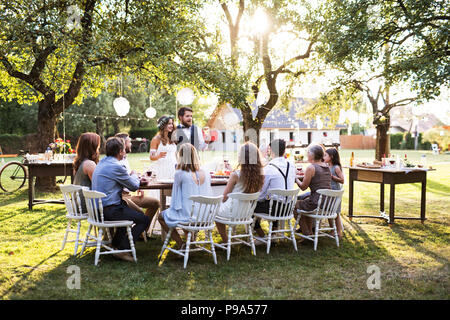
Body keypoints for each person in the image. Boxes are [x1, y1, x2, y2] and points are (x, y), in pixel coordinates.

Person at [92, 137, 150, 262]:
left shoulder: (102, 162)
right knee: (144, 219)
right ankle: (123, 250)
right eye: (124, 149)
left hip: (98, 209)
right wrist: (134, 174)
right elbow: (134, 186)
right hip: (109, 210)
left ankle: (115, 245)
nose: (125, 151)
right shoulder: (116, 166)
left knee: (127, 214)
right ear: (120, 151)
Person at [158, 143, 213, 249]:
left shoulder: (180, 173)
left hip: (190, 217)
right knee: (187, 210)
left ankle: (180, 243)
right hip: (205, 216)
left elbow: (175, 199)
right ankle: (191, 242)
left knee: (163, 216)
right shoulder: (206, 172)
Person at [215, 142, 265, 243]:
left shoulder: (235, 175)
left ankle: (226, 241)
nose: (238, 155)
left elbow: (224, 197)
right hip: (247, 212)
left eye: (239, 154)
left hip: (233, 212)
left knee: (215, 213)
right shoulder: (260, 175)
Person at [115, 133, 160, 227]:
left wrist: (138, 183)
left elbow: (129, 177)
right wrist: (136, 181)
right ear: (122, 144)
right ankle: (138, 231)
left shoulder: (125, 159)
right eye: (129, 142)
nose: (131, 144)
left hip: (129, 194)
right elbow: (126, 181)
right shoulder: (118, 162)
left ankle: (141, 233)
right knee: (140, 215)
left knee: (155, 203)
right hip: (122, 197)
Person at [253, 139, 295, 238]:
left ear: (270, 150)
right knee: (274, 202)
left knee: (249, 208)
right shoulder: (292, 165)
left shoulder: (269, 168)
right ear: (284, 151)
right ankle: (274, 235)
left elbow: (262, 193)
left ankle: (262, 236)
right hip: (288, 208)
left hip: (275, 208)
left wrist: (255, 200)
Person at [294, 145, 332, 237]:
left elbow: (303, 187)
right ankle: (310, 232)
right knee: (305, 201)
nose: (307, 154)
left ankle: (306, 233)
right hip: (328, 202)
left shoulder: (311, 167)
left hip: (317, 203)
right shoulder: (327, 166)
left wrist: (296, 178)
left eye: (308, 152)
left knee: (293, 205)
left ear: (312, 155)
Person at [73, 132, 101, 212]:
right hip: (86, 205)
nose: (98, 149)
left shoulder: (81, 162)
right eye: (97, 146)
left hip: (78, 203)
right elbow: (99, 185)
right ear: (92, 147)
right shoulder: (89, 164)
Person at [324, 148, 344, 239]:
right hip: (329, 192)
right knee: (329, 211)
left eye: (325, 155)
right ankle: (332, 229)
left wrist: (332, 177)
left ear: (331, 157)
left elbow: (342, 180)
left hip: (335, 192)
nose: (324, 157)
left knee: (336, 213)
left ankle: (339, 232)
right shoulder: (328, 166)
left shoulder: (336, 167)